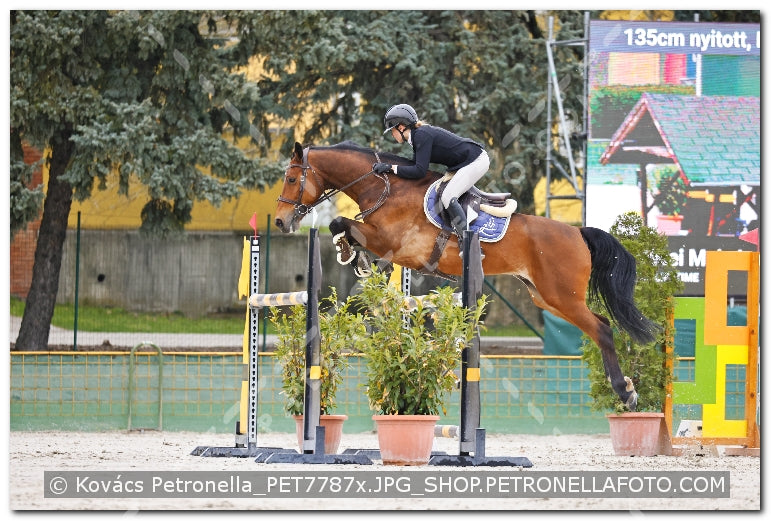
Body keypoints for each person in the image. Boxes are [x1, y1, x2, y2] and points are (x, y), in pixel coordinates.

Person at [373, 103, 490, 250]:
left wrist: (391, 168)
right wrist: (389, 168)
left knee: (448, 197)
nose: (392, 134)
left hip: (476, 160)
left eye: (392, 130)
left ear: (401, 127)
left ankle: (470, 244)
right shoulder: (417, 136)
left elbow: (419, 171)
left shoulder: (421, 135)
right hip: (465, 163)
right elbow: (414, 166)